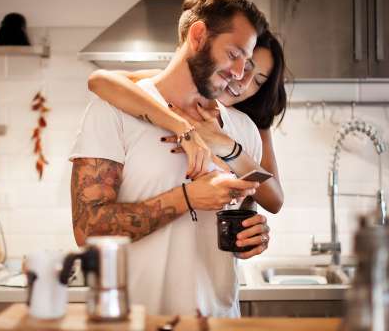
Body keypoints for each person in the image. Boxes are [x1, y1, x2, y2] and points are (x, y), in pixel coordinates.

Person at [69, 0, 269, 317]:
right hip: (135, 322)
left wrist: (255, 235)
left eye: (246, 61)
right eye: (233, 54)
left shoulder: (242, 130)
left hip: (218, 322)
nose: (238, 73)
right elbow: (86, 229)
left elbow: (242, 213)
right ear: (199, 35)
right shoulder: (112, 111)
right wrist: (187, 198)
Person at [87, 29, 287, 214]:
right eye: (245, 66)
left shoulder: (251, 124)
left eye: (259, 81)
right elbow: (99, 81)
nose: (244, 82)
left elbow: (273, 200)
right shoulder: (171, 89)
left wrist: (226, 146)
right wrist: (180, 124)